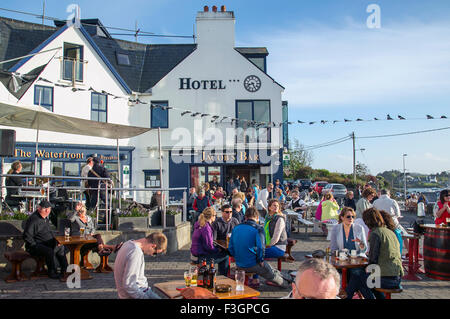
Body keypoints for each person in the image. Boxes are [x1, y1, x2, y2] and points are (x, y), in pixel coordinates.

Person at [228, 206, 289, 288]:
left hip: (239, 263)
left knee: (271, 269)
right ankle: (286, 284)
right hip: (251, 264)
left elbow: (231, 248)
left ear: (245, 217)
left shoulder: (236, 228)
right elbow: (261, 247)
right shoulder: (258, 229)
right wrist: (260, 260)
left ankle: (285, 278)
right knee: (270, 273)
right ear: (257, 217)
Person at [22, 200, 68, 279]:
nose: (47, 211)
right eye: (45, 209)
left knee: (61, 247)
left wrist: (56, 241)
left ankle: (65, 270)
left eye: (49, 209)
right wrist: (34, 245)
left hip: (47, 243)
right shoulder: (34, 219)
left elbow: (48, 233)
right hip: (35, 246)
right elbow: (26, 236)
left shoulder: (45, 218)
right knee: (49, 251)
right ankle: (52, 272)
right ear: (39, 208)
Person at [114, 232, 167, 299]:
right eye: (154, 253)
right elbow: (129, 284)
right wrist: (144, 297)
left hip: (139, 291)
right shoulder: (135, 252)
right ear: (153, 246)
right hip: (138, 293)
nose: (151, 254)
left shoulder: (128, 243)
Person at [190, 207, 229, 275]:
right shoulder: (206, 228)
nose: (216, 218)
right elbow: (208, 247)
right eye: (215, 216)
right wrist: (217, 250)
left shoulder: (199, 224)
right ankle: (223, 276)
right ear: (212, 216)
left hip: (195, 253)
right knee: (225, 255)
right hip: (200, 257)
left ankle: (221, 274)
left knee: (221, 253)